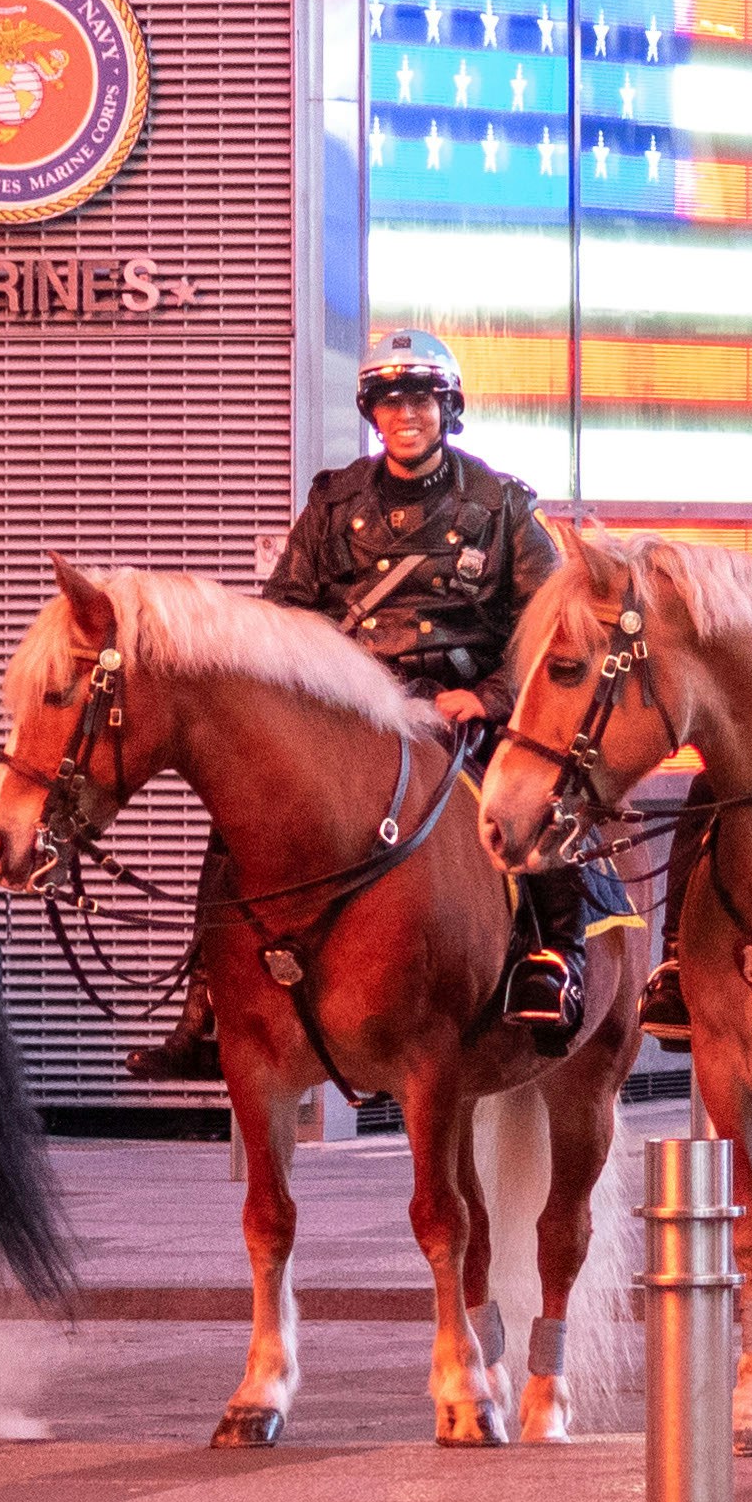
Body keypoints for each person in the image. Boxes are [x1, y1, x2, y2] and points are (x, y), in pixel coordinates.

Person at [137, 329, 605, 1078]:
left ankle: (552, 961)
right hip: (351, 717)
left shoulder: (500, 503)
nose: (404, 414)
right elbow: (282, 615)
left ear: (446, 408)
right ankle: (206, 996)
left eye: (419, 399)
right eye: (389, 401)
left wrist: (488, 695)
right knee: (239, 818)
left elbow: (552, 626)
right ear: (371, 412)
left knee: (530, 801)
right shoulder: (333, 501)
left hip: (459, 714)